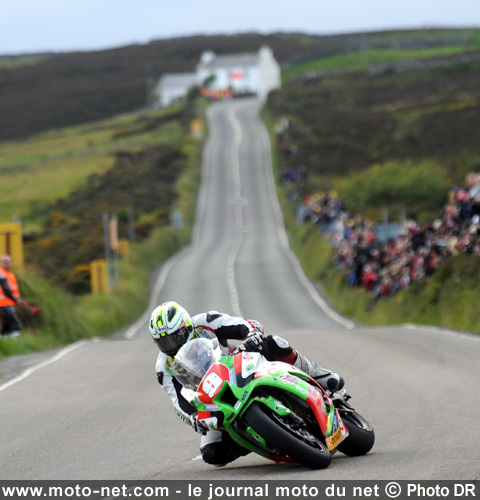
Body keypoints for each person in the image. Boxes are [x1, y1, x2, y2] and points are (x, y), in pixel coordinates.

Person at [149, 300, 344, 466]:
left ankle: (318, 374)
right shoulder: (163, 367)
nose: (172, 346)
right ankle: (262, 435)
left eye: (174, 338)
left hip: (239, 365)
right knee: (212, 454)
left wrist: (252, 335)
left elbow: (243, 324)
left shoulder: (205, 322)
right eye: (163, 343)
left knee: (273, 343)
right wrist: (193, 418)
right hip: (214, 396)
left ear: (187, 326)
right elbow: (178, 403)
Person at [0, 255, 22, 339]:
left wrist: (18, 297)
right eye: (5, 262)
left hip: (10, 301)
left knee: (7, 319)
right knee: (13, 318)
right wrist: (14, 299)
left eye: (8, 262)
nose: (7, 264)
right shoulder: (1, 274)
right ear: (2, 263)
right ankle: (15, 334)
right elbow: (6, 289)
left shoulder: (11, 275)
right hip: (3, 302)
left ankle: (3, 335)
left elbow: (15, 289)